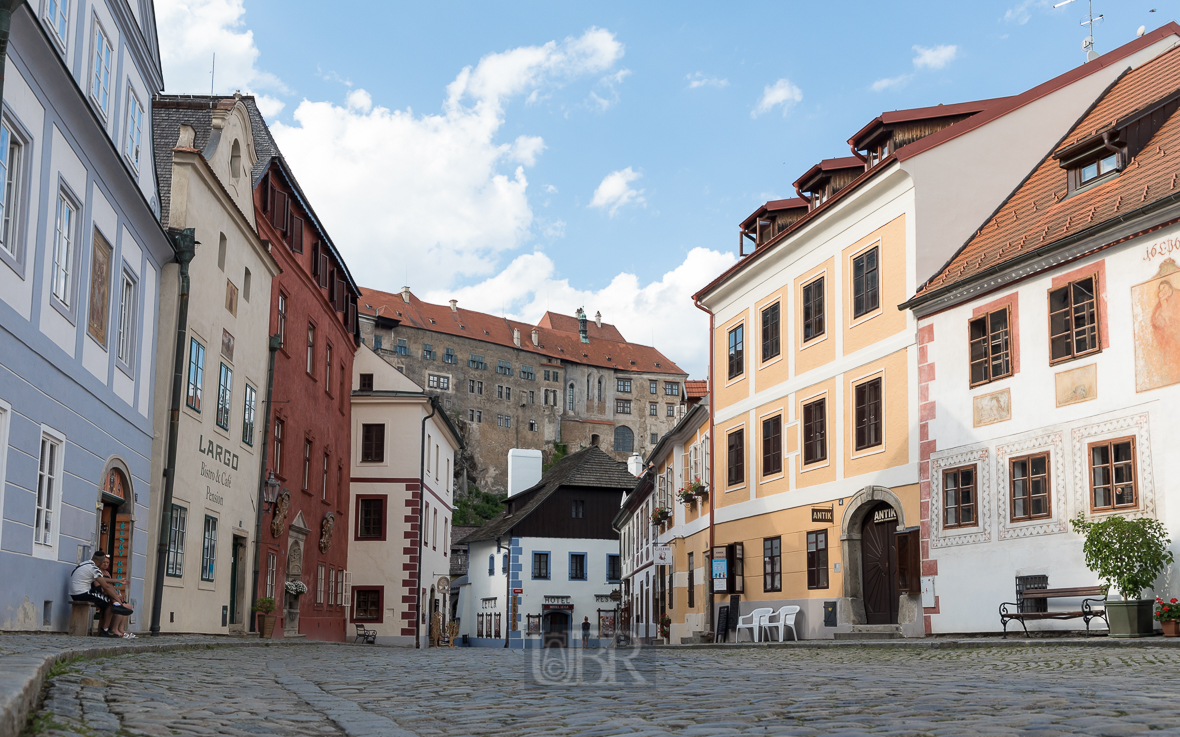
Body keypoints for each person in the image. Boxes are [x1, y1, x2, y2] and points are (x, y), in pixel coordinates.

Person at [69, 552, 133, 637]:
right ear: (101, 561)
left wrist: (118, 581)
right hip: (82, 593)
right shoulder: (94, 568)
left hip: (75, 592)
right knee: (109, 602)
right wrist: (117, 599)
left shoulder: (86, 564)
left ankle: (117, 605)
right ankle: (105, 630)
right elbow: (105, 586)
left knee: (109, 600)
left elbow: (104, 580)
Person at [97, 555, 135, 638]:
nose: (105, 564)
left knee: (128, 606)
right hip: (103, 594)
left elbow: (111, 586)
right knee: (122, 606)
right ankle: (114, 629)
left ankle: (121, 628)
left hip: (111, 594)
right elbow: (100, 586)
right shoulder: (97, 572)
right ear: (99, 563)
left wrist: (117, 594)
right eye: (104, 562)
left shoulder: (107, 573)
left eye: (107, 563)